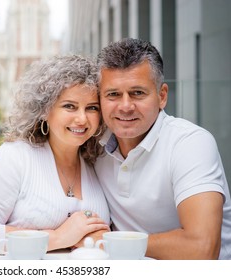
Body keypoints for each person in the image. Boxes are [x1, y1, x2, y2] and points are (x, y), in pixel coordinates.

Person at [0, 55, 111, 255]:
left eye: (92, 108)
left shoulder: (98, 161)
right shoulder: (14, 157)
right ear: (44, 110)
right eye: (69, 106)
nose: (82, 118)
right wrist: (58, 238)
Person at [95, 38, 231, 260]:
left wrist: (109, 243)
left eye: (137, 93)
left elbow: (202, 248)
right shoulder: (92, 146)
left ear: (162, 96)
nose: (126, 106)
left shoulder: (190, 143)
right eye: (113, 94)